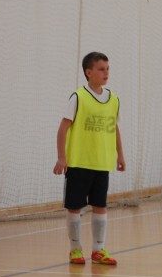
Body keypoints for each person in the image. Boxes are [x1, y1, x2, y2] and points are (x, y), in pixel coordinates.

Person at [53, 51, 126, 266]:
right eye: (101, 69)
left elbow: (115, 129)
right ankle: (75, 249)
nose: (106, 73)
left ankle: (98, 250)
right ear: (89, 72)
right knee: (75, 207)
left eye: (108, 69)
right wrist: (61, 157)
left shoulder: (114, 99)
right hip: (78, 163)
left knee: (100, 206)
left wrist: (120, 154)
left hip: (102, 163)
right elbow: (62, 129)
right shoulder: (78, 97)